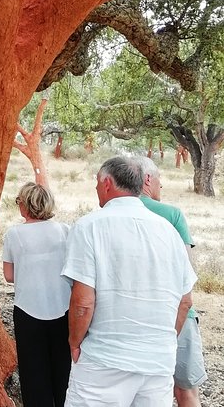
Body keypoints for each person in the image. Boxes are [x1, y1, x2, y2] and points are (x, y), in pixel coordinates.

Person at [62, 156, 197, 407]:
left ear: (106, 183)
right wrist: (163, 341)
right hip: (157, 362)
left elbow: (83, 302)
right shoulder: (168, 231)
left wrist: (74, 342)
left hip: (105, 360)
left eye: (96, 184)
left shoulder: (89, 226)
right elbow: (185, 301)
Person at [137, 156, 207, 407]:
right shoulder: (171, 214)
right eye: (159, 179)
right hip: (176, 312)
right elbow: (188, 269)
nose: (161, 186)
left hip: (134, 318)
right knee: (186, 391)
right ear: (147, 179)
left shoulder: (109, 213)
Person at [3, 182, 71, 407]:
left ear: (24, 205)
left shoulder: (14, 234)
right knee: (63, 371)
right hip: (63, 309)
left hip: (27, 310)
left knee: (33, 375)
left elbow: (9, 275)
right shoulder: (65, 230)